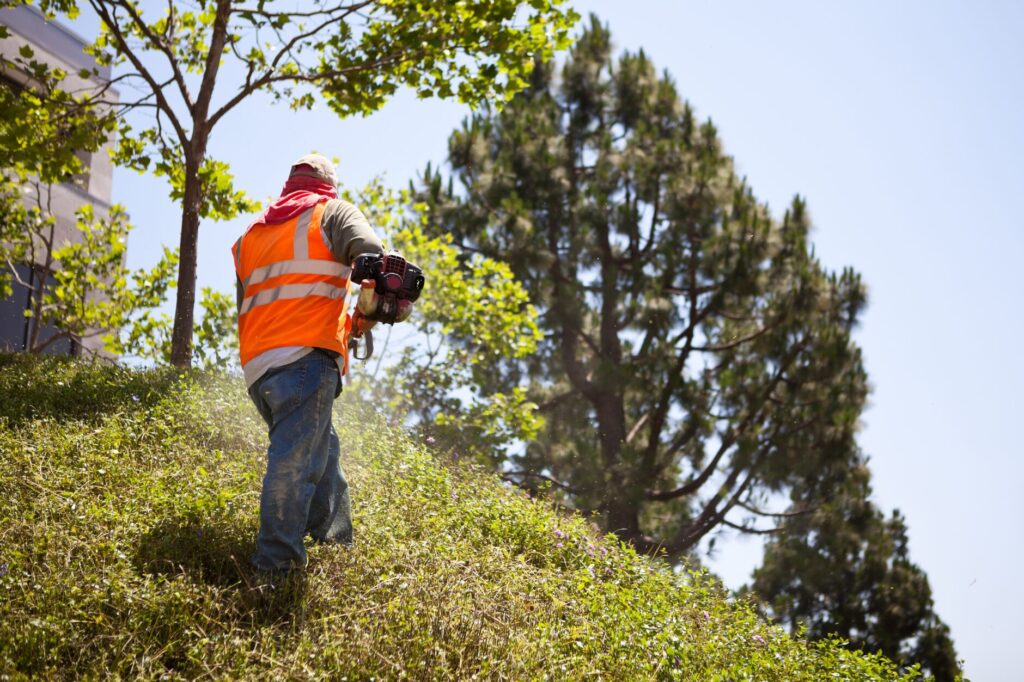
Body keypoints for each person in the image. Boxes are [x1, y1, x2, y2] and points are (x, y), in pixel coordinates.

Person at [231, 153, 390, 574]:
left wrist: (351, 323)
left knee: (322, 453)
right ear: (327, 186)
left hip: (260, 368)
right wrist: (372, 306)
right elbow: (372, 255)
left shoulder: (251, 236)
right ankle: (274, 571)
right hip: (305, 360)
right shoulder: (332, 212)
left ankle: (335, 547)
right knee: (295, 464)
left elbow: (259, 304)